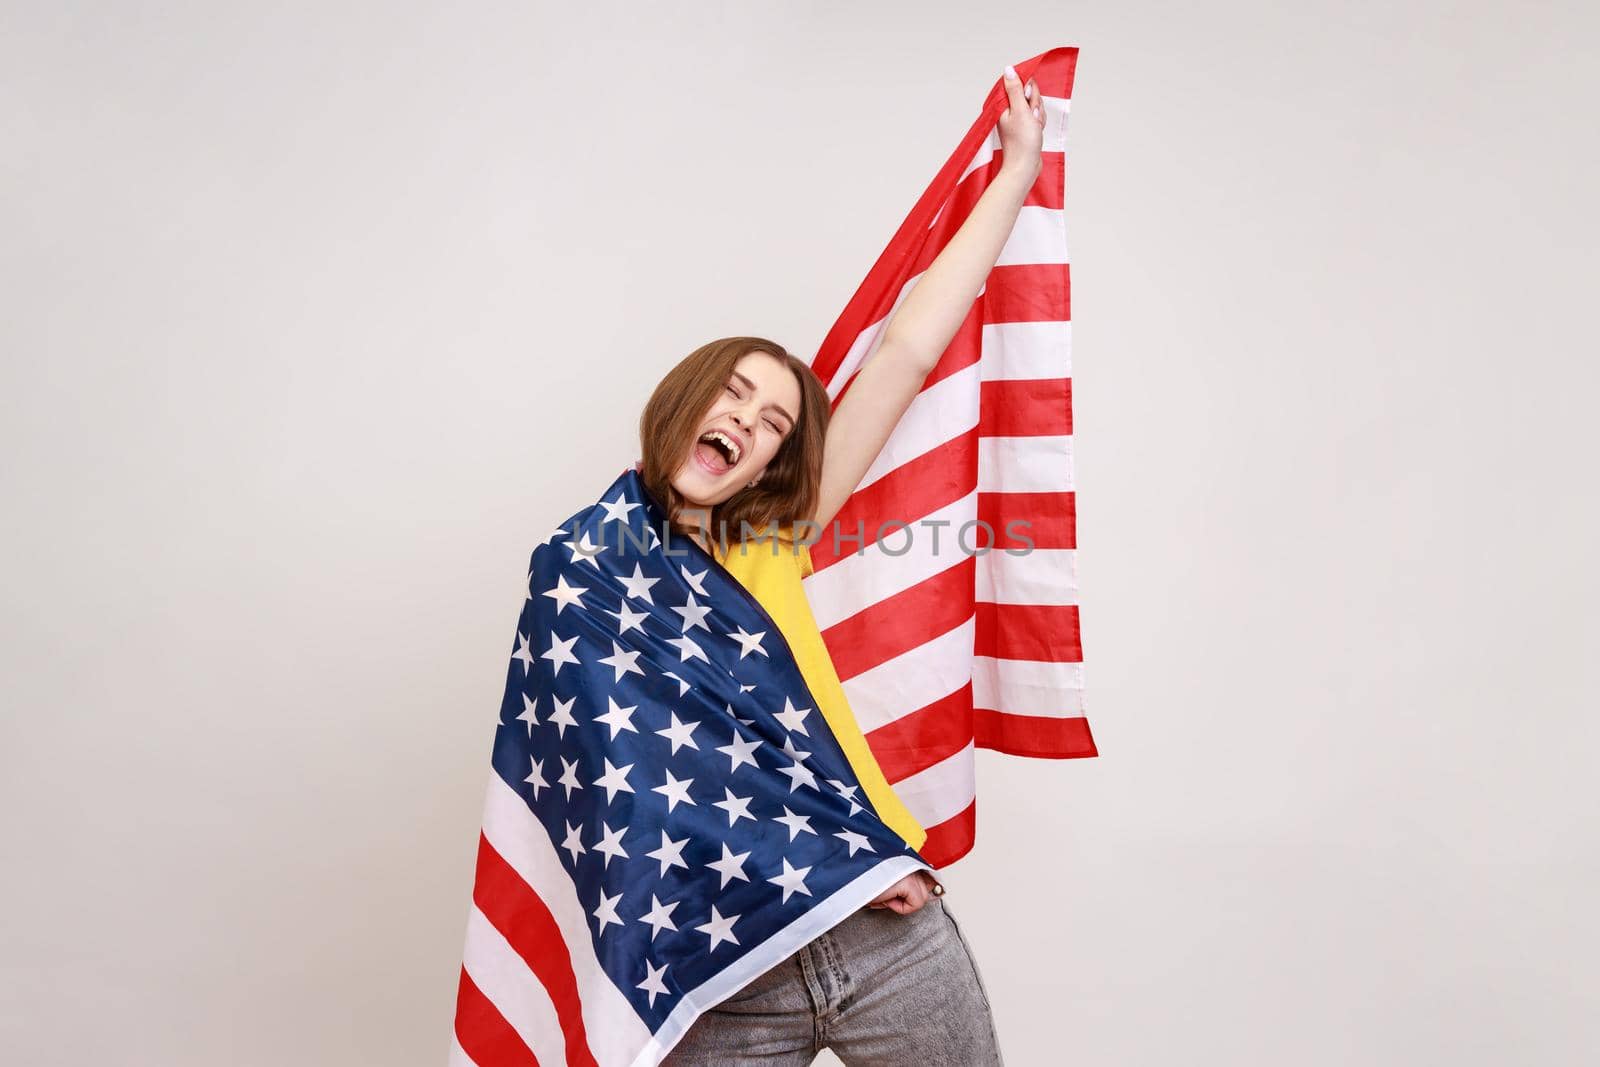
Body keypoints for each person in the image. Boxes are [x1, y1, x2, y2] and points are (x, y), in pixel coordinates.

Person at [635, 65, 1046, 1067]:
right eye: (732, 392)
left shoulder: (770, 538)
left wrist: (1015, 177)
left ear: (775, 463)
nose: (745, 418)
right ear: (684, 400)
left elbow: (905, 350)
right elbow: (630, 784)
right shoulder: (586, 574)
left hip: (884, 933)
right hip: (718, 967)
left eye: (773, 420)